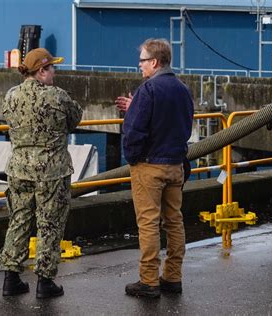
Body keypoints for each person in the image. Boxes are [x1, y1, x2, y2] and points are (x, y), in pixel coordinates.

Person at [0, 48, 83, 298]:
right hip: (51, 171)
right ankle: (45, 282)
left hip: (19, 169)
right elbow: (75, 119)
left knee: (19, 220)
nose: (55, 72)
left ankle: (11, 278)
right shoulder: (57, 96)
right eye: (52, 68)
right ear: (42, 70)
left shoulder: (11, 95)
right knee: (50, 224)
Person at [115, 38, 194, 298]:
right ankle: (173, 276)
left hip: (149, 165)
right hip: (175, 164)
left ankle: (149, 281)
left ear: (154, 62)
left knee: (148, 223)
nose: (139, 66)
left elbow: (135, 130)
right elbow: (182, 124)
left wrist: (133, 158)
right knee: (174, 221)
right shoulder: (182, 89)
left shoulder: (148, 90)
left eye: (142, 61)